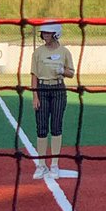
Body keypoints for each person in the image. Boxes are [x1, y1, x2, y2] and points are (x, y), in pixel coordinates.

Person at [30, 20, 75, 179]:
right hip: (42, 88)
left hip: (58, 89)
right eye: (44, 33)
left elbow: (71, 73)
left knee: (56, 127)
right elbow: (34, 74)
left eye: (48, 33)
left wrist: (62, 70)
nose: (44, 36)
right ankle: (41, 165)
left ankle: (54, 164)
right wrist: (35, 95)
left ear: (56, 33)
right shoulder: (38, 52)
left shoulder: (64, 52)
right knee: (41, 128)